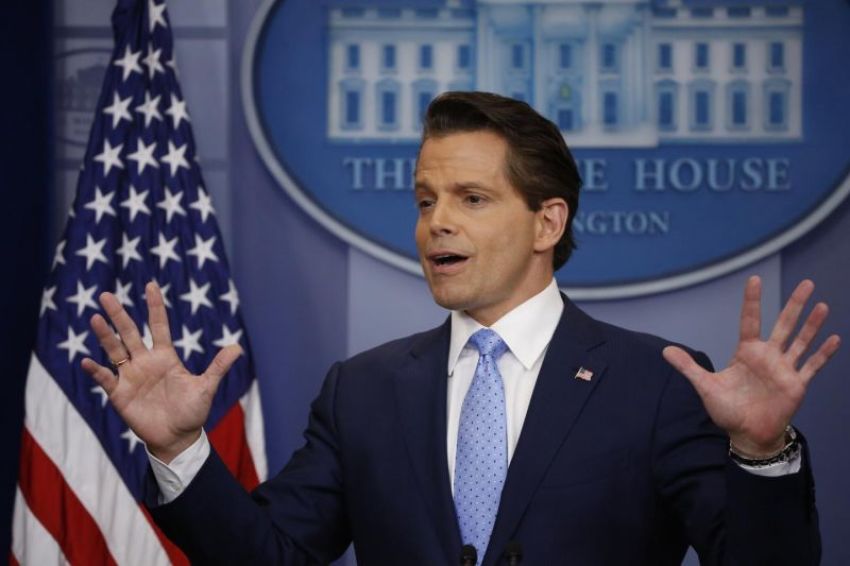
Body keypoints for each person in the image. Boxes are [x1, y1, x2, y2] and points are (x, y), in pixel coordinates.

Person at [82, 92, 839, 565]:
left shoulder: (655, 384)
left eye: (471, 198)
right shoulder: (364, 390)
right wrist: (179, 450)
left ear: (548, 222)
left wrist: (762, 452)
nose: (436, 221)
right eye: (424, 199)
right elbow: (272, 554)